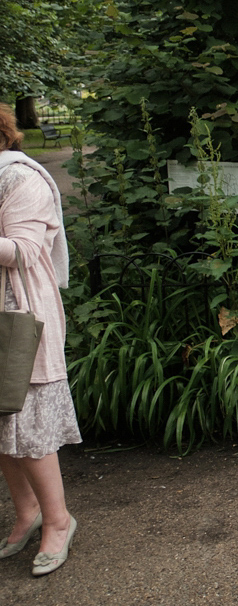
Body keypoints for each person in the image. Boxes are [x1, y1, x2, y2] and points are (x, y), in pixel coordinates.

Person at [0, 107, 77, 577]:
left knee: (27, 425)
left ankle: (58, 521)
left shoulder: (20, 178)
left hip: (17, 314)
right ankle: (26, 514)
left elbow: (26, 251)